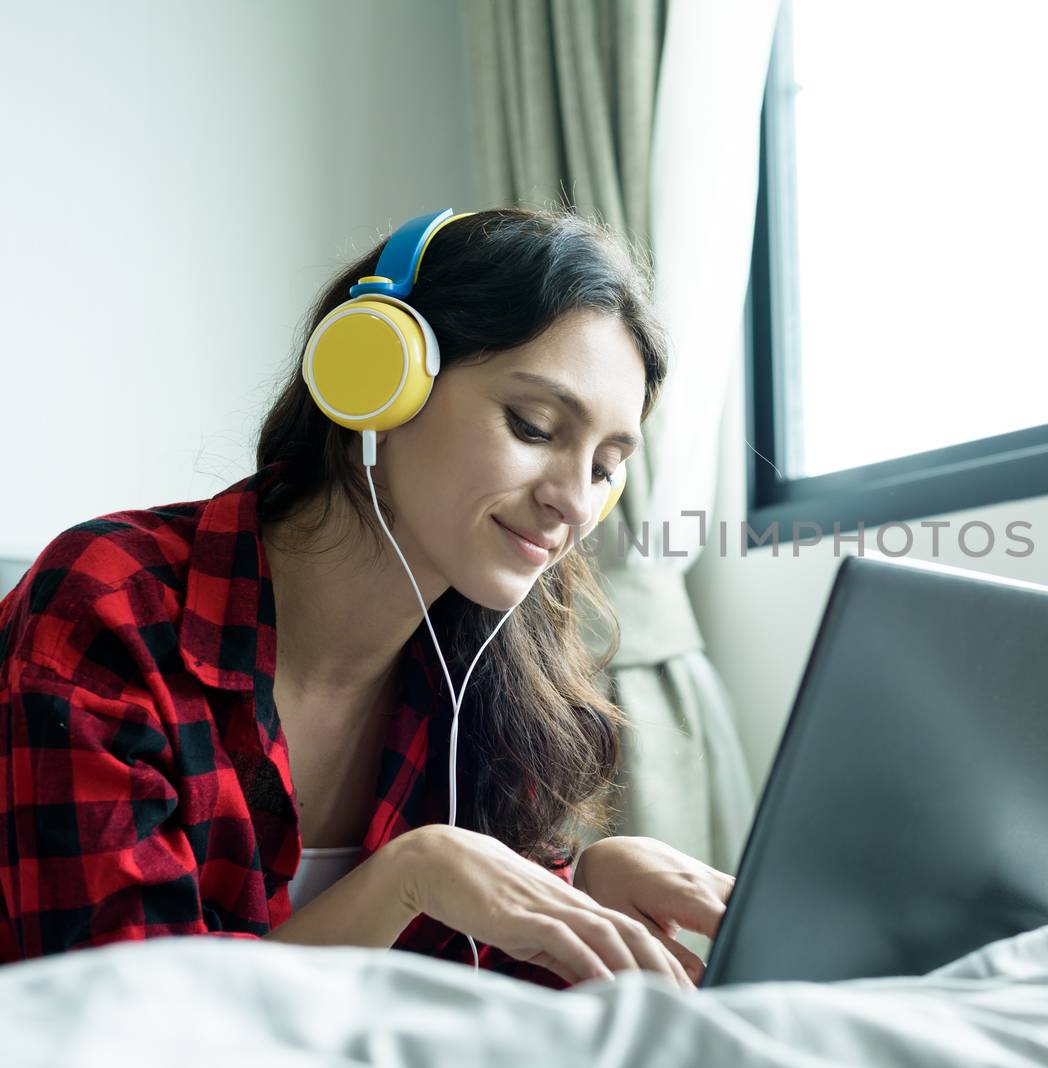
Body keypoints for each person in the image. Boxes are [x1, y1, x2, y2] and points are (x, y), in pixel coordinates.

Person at [0, 207, 733, 992]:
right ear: (378, 382)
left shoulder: (493, 675)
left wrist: (579, 888)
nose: (576, 505)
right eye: (534, 424)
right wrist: (405, 879)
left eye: (604, 467)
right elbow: (122, 1028)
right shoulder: (107, 606)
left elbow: (459, 1004)